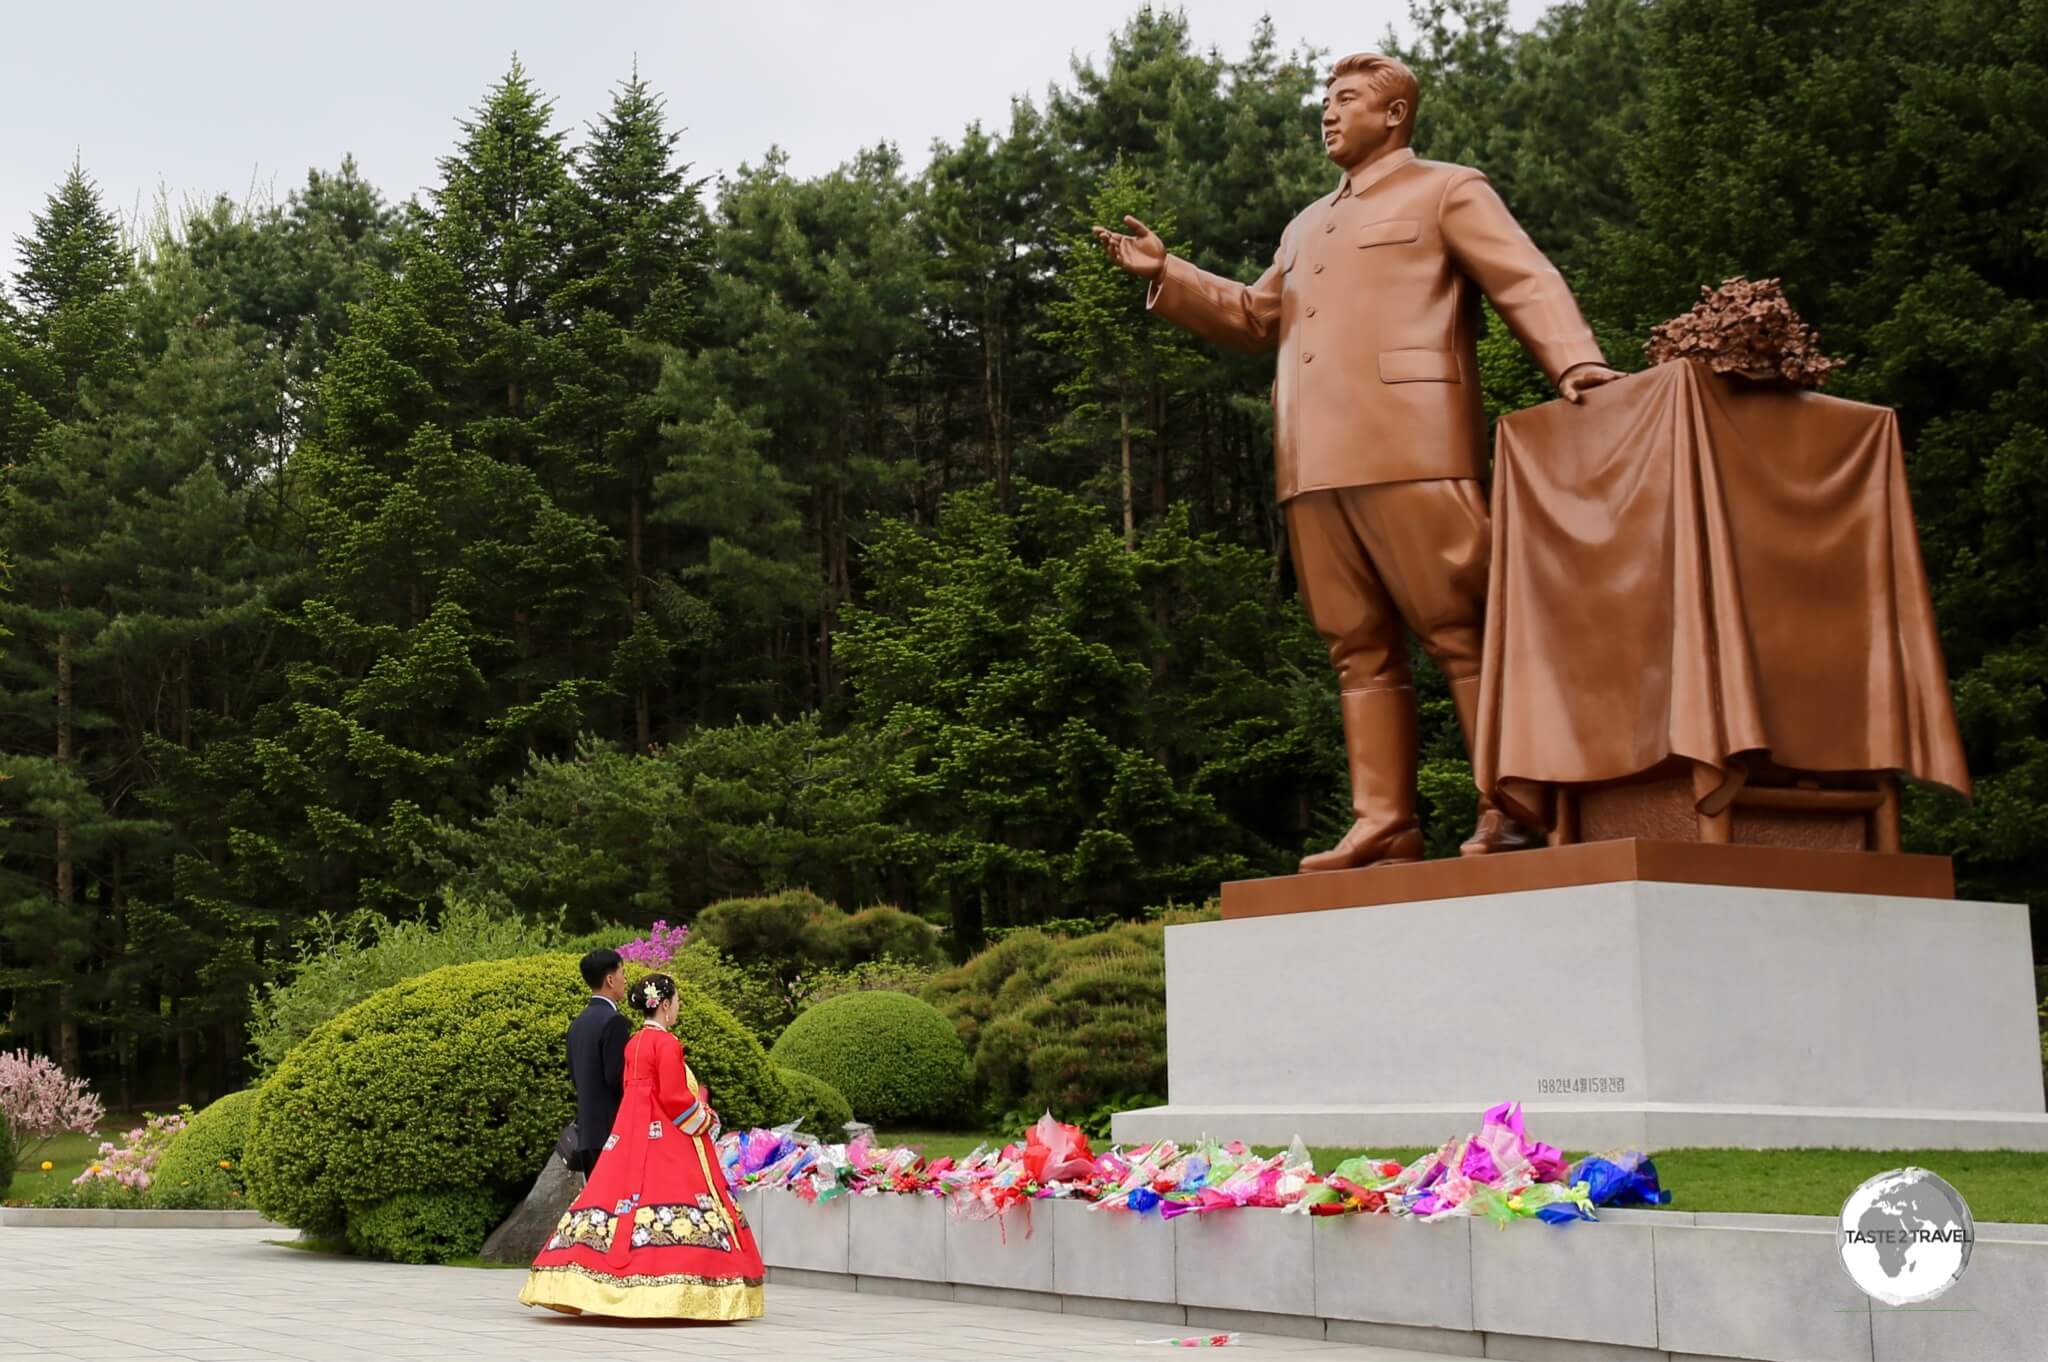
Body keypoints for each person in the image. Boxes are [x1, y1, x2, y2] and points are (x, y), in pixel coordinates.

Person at [1094, 52, 1622, 871]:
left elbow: (1526, 278)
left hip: (1414, 442)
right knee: (1356, 646)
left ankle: (1515, 806)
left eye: (1345, 101)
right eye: (1326, 102)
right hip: (1312, 461)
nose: (1328, 115)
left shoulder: (1448, 188)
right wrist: (1171, 273)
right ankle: (1384, 822)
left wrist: (1576, 364)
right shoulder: (1306, 225)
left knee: (1463, 628)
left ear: (1395, 116)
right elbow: (1255, 316)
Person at [520, 973, 765, 1320]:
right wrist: (707, 1117)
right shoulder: (667, 1044)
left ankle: (592, 1279)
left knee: (612, 1197)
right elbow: (675, 1098)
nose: (678, 1008)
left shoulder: (633, 1043)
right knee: (682, 1197)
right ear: (665, 1005)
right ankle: (683, 1286)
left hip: (631, 1130)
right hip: (665, 1133)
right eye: (677, 1002)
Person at [564, 949, 630, 1177]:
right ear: (610, 979)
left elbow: (575, 1075)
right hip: (613, 1131)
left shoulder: (577, 1024)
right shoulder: (615, 1022)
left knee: (597, 1209)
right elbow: (617, 1078)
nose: (625, 979)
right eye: (622, 972)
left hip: (587, 1133)